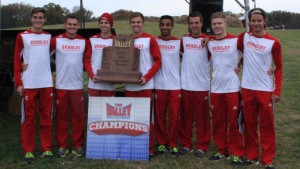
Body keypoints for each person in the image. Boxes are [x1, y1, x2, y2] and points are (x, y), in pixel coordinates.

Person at [237, 8, 282, 169]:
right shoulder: (244, 37)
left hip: (265, 89)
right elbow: (231, 47)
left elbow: (279, 67)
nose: (256, 23)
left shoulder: (274, 42)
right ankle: (251, 156)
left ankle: (267, 160)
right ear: (249, 22)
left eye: (259, 20)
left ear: (264, 22)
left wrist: (277, 91)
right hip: (247, 87)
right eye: (253, 21)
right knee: (249, 125)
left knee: (267, 126)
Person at [14, 7, 54, 163]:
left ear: (44, 20)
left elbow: (52, 55)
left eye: (41, 18)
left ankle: (47, 148)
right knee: (28, 119)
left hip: (46, 83)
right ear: (31, 19)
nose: (38, 20)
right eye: (35, 17)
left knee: (46, 117)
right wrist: (19, 82)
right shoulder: (22, 36)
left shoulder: (49, 37)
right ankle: (28, 151)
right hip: (29, 83)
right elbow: (17, 61)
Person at [207, 12, 244, 166]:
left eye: (219, 23)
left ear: (225, 24)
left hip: (232, 88)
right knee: (218, 122)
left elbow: (251, 54)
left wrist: (240, 64)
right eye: (214, 24)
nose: (217, 26)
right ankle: (222, 150)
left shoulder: (236, 41)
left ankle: (237, 153)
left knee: (234, 123)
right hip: (216, 89)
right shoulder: (209, 43)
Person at [125, 12, 162, 160]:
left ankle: (148, 148)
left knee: (146, 119)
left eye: (138, 22)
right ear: (130, 24)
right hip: (129, 87)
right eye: (133, 22)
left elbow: (158, 61)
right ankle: (133, 146)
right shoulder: (125, 40)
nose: (136, 25)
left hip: (145, 86)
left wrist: (146, 77)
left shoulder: (150, 39)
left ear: (143, 23)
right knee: (132, 120)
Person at [51, 14, 87, 157]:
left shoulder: (84, 42)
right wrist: (25, 63)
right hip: (61, 86)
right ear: (65, 25)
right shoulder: (56, 40)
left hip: (77, 86)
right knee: (61, 117)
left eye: (74, 24)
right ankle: (62, 145)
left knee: (78, 117)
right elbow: (42, 55)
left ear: (78, 26)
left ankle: (78, 145)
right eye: (69, 24)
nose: (72, 27)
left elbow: (91, 59)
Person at [179, 12, 211, 158]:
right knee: (185, 117)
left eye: (196, 23)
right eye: (191, 23)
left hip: (202, 86)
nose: (194, 26)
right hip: (185, 85)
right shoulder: (184, 39)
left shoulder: (208, 41)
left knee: (202, 118)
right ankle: (186, 144)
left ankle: (202, 146)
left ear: (201, 23)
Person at [153, 15, 181, 157]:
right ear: (159, 26)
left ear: (172, 26)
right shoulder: (154, 41)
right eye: (162, 24)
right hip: (159, 84)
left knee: (175, 116)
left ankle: (173, 143)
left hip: (175, 85)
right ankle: (162, 143)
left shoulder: (178, 42)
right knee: (160, 116)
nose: (165, 27)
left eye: (168, 25)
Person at [84, 13, 115, 97]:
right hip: (94, 84)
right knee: (94, 110)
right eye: (101, 23)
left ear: (111, 25)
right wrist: (92, 75)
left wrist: (115, 78)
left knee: (108, 110)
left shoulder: (116, 40)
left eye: (106, 23)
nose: (103, 25)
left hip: (109, 85)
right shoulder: (92, 40)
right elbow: (86, 60)